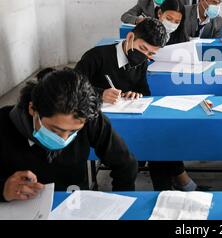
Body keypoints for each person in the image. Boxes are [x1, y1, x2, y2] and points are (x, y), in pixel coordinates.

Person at [75, 19, 199, 191]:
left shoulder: (141, 62)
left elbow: (144, 91)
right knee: (147, 145)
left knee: (158, 139)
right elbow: (72, 89)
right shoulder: (96, 56)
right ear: (131, 37)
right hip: (100, 124)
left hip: (129, 117)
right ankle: (176, 183)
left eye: (150, 54)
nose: (144, 56)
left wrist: (136, 94)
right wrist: (99, 93)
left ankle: (162, 193)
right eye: (142, 48)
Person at [0, 68, 138, 202]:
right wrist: (4, 189)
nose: (63, 140)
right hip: (20, 207)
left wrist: (121, 202)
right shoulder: (4, 124)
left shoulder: (89, 119)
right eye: (54, 130)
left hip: (73, 204)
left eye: (73, 131)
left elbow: (125, 163)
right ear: (33, 109)